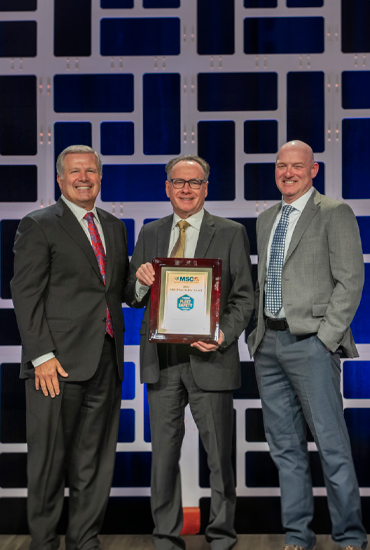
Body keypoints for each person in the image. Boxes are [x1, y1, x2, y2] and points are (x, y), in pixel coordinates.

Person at [125, 154, 254, 550]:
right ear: (167, 187)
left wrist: (221, 335)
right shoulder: (150, 232)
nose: (185, 189)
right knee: (163, 459)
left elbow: (244, 298)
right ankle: (165, 536)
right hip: (161, 363)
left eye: (194, 182)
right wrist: (142, 282)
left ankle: (221, 535)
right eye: (178, 182)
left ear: (206, 188)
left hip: (210, 358)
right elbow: (130, 296)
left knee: (219, 458)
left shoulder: (230, 232)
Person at [248, 140, 367, 550]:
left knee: (332, 446)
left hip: (312, 345)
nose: (288, 173)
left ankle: (351, 535)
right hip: (268, 345)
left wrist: (325, 340)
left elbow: (350, 281)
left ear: (313, 170)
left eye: (297, 166)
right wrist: (255, 335)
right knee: (286, 450)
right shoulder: (265, 220)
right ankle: (298, 537)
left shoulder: (334, 213)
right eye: (281, 166)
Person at [10, 145, 129, 550]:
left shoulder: (114, 225)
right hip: (54, 367)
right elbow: (25, 294)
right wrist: (41, 356)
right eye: (75, 171)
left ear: (100, 176)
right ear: (60, 179)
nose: (84, 177)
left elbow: (116, 290)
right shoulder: (39, 224)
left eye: (91, 171)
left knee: (93, 463)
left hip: (105, 361)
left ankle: (85, 540)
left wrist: (144, 281)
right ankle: (43, 543)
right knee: (47, 464)